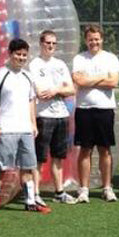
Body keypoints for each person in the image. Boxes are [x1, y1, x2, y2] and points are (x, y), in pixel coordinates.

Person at [0, 38, 50, 218]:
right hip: (6, 129)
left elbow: (31, 101)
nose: (21, 58)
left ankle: (29, 202)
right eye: (18, 54)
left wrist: (33, 124)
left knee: (28, 167)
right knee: (1, 168)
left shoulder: (28, 76)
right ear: (10, 54)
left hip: (26, 130)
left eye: (24, 55)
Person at [72, 24, 119, 203]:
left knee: (105, 149)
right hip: (84, 110)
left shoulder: (111, 58)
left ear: (102, 39)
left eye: (97, 39)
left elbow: (113, 82)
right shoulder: (79, 58)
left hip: (105, 110)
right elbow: (79, 80)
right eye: (90, 39)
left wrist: (89, 81)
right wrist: (101, 77)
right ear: (86, 40)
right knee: (85, 149)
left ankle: (107, 188)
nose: (94, 42)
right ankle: (83, 189)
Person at [29, 30, 77, 205]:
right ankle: (35, 194)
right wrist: (59, 89)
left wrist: (57, 90)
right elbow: (41, 93)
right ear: (41, 43)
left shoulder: (61, 64)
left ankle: (59, 192)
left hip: (62, 115)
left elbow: (70, 90)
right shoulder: (34, 64)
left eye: (53, 43)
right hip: (43, 116)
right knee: (39, 158)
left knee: (58, 157)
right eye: (48, 43)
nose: (50, 46)